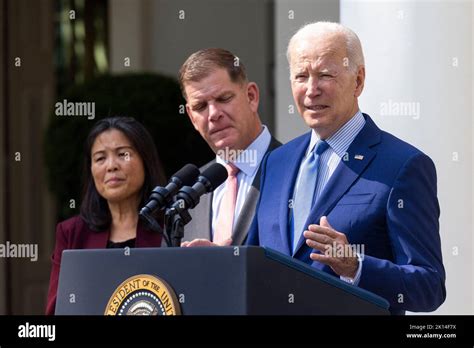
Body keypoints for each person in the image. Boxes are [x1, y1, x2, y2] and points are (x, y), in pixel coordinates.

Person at [247, 22, 445, 314]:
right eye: (301, 76)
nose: (311, 90)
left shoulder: (403, 165)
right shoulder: (277, 161)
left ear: (358, 80)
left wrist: (355, 265)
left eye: (325, 75)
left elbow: (429, 288)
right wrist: (221, 260)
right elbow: (257, 259)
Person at [45, 117, 166, 315]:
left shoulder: (172, 224)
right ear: (91, 169)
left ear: (146, 160)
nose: (111, 166)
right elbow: (56, 310)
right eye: (100, 158)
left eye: (123, 154)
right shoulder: (71, 233)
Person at [175, 48, 280, 247]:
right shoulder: (185, 193)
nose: (213, 114)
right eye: (200, 107)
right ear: (191, 117)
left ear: (251, 96)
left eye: (223, 99)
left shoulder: (298, 168)